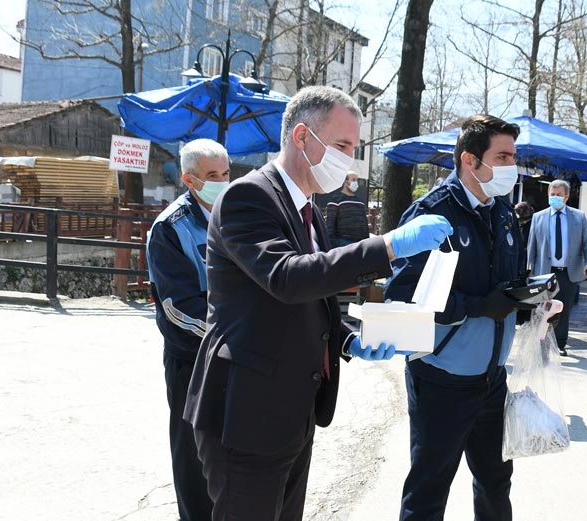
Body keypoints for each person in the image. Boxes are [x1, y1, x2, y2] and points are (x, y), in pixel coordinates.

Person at [183, 86, 453, 521]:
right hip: (246, 416)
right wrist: (386, 246)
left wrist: (347, 341)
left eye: (354, 147)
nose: (350, 158)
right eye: (343, 145)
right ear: (302, 136)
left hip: (291, 412)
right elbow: (288, 278)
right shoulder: (247, 198)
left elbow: (311, 299)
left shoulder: (307, 206)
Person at [385, 114, 532, 521]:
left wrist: (531, 300)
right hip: (440, 377)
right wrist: (478, 306)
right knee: (429, 489)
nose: (511, 167)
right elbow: (404, 295)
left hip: (492, 378)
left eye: (513, 157)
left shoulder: (502, 213)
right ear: (470, 160)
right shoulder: (430, 214)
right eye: (502, 156)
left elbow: (509, 281)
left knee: (495, 483)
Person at [146, 138, 230, 521]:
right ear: (189, 179)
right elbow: (177, 308)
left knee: (231, 460)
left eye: (226, 173)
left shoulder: (238, 214)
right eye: (212, 175)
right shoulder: (169, 229)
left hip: (236, 356)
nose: (222, 181)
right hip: (192, 361)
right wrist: (227, 335)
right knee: (195, 467)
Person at [527, 179, 587, 355]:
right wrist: (529, 269)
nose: (555, 198)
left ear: (566, 197)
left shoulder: (578, 217)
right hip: (545, 272)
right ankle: (540, 344)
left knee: (563, 310)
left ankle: (560, 344)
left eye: (559, 195)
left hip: (568, 272)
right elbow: (532, 246)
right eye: (552, 195)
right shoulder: (538, 217)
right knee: (542, 308)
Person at [324, 170, 370, 248]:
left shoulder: (361, 202)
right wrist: (331, 246)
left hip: (360, 244)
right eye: (353, 180)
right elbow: (330, 226)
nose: (356, 183)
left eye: (357, 180)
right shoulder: (335, 200)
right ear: (345, 182)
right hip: (342, 244)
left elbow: (365, 224)